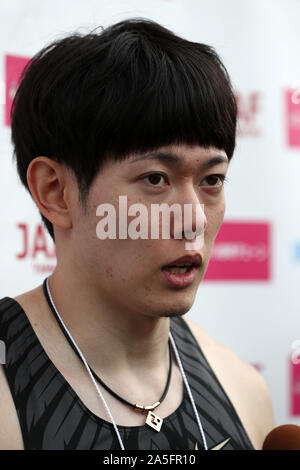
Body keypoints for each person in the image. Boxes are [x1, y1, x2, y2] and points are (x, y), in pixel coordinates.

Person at [0, 18, 274, 450]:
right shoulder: (7, 398)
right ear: (56, 191)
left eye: (212, 180)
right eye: (155, 179)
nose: (193, 221)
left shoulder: (242, 388)